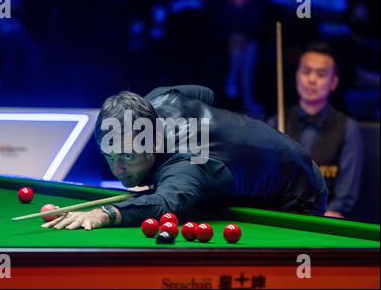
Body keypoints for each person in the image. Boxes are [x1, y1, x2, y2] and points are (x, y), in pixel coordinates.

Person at [42, 85, 328, 230]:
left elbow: (166, 203)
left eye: (127, 156)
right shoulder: (158, 100)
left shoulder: (189, 165)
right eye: (110, 156)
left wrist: (102, 214)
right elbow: (207, 93)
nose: (117, 169)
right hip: (255, 169)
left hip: (298, 192)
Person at [268, 43, 363, 219]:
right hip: (283, 220)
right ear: (297, 76)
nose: (312, 80)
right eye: (306, 71)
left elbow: (344, 197)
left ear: (333, 82)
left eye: (321, 74)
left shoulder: (348, 128)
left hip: (328, 221)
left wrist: (320, 221)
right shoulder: (274, 123)